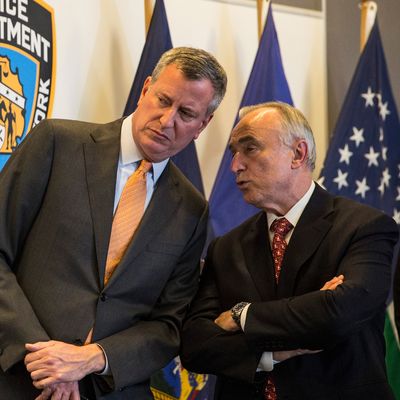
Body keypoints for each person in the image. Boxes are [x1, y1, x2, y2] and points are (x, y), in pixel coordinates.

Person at [0, 47, 227, 399]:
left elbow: (168, 325)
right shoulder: (57, 144)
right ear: (145, 89)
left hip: (111, 389)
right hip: (18, 378)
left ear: (203, 124)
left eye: (186, 113)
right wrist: (47, 360)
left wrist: (92, 358)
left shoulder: (191, 210)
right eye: (163, 100)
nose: (167, 120)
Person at [180, 102, 399, 400]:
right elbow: (195, 346)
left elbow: (339, 313)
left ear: (298, 154)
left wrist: (241, 315)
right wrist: (275, 353)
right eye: (234, 152)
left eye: (250, 149)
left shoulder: (364, 227)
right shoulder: (226, 247)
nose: (235, 165)